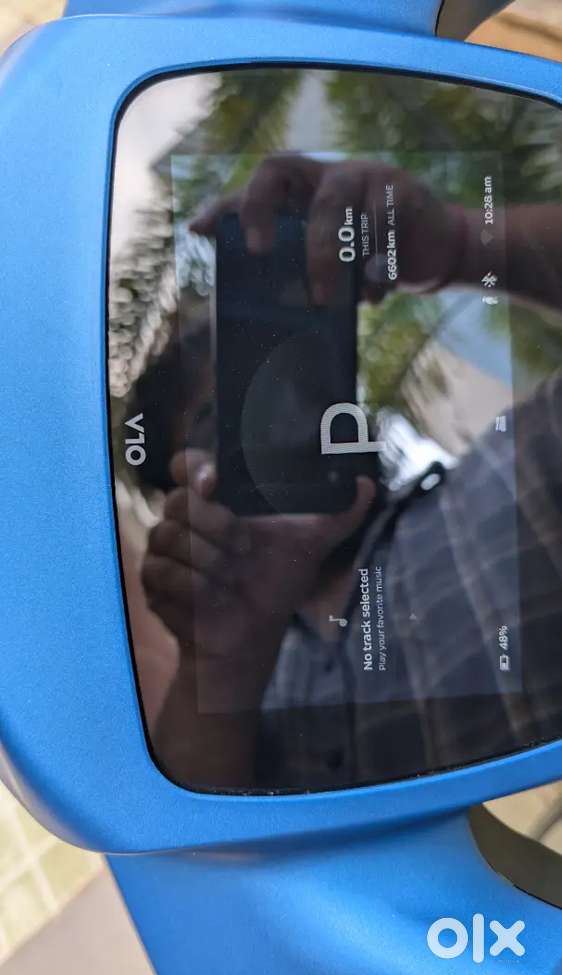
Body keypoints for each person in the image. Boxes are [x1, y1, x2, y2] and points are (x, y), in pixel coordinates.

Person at [137, 155, 562, 790]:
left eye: (281, 378)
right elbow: (199, 841)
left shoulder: (515, 476)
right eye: (224, 425)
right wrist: (220, 670)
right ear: (189, 488)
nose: (279, 417)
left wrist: (457, 244)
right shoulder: (240, 701)